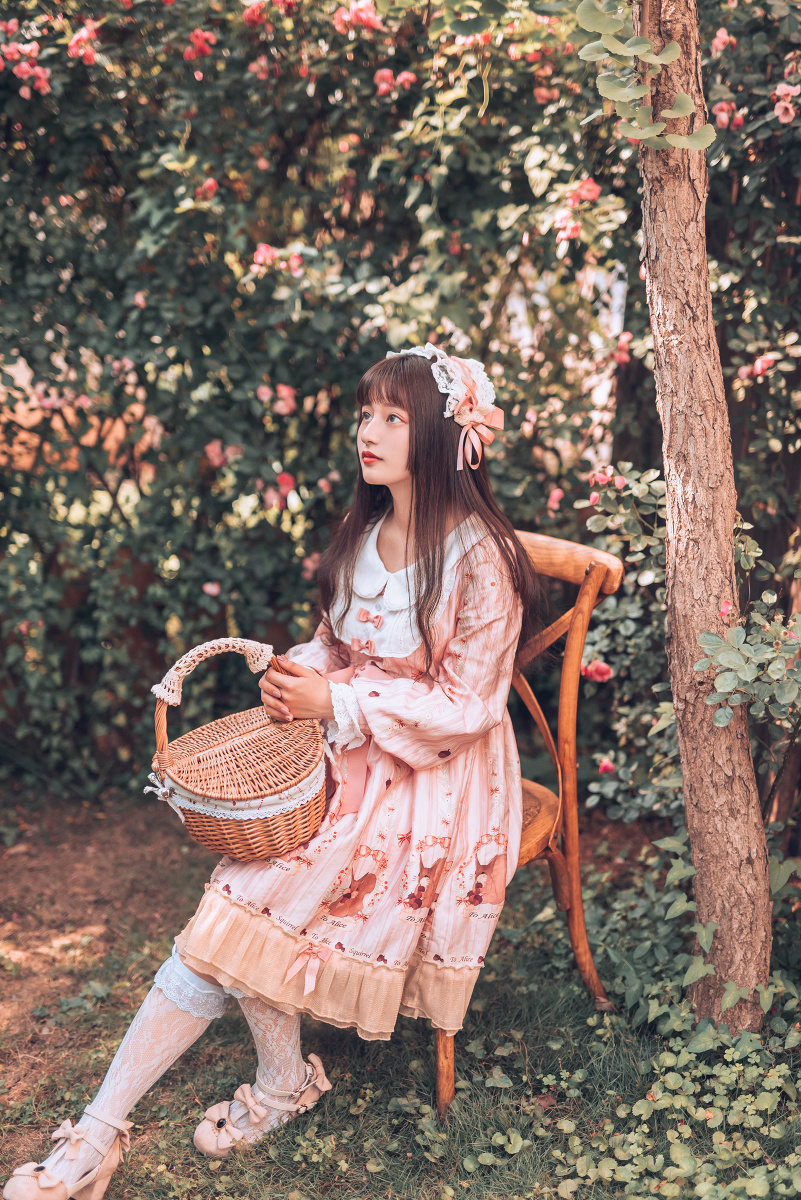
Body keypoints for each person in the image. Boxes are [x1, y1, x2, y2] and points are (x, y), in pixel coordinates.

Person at [4, 343, 541, 1200]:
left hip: (435, 771)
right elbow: (333, 642)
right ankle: (112, 1128)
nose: (368, 433)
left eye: (393, 418)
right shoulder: (366, 530)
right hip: (348, 740)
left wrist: (340, 704)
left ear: (446, 436)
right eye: (365, 414)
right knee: (249, 892)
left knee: (254, 895)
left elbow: (468, 706)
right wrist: (300, 675)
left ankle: (200, 1107)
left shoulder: (482, 559)